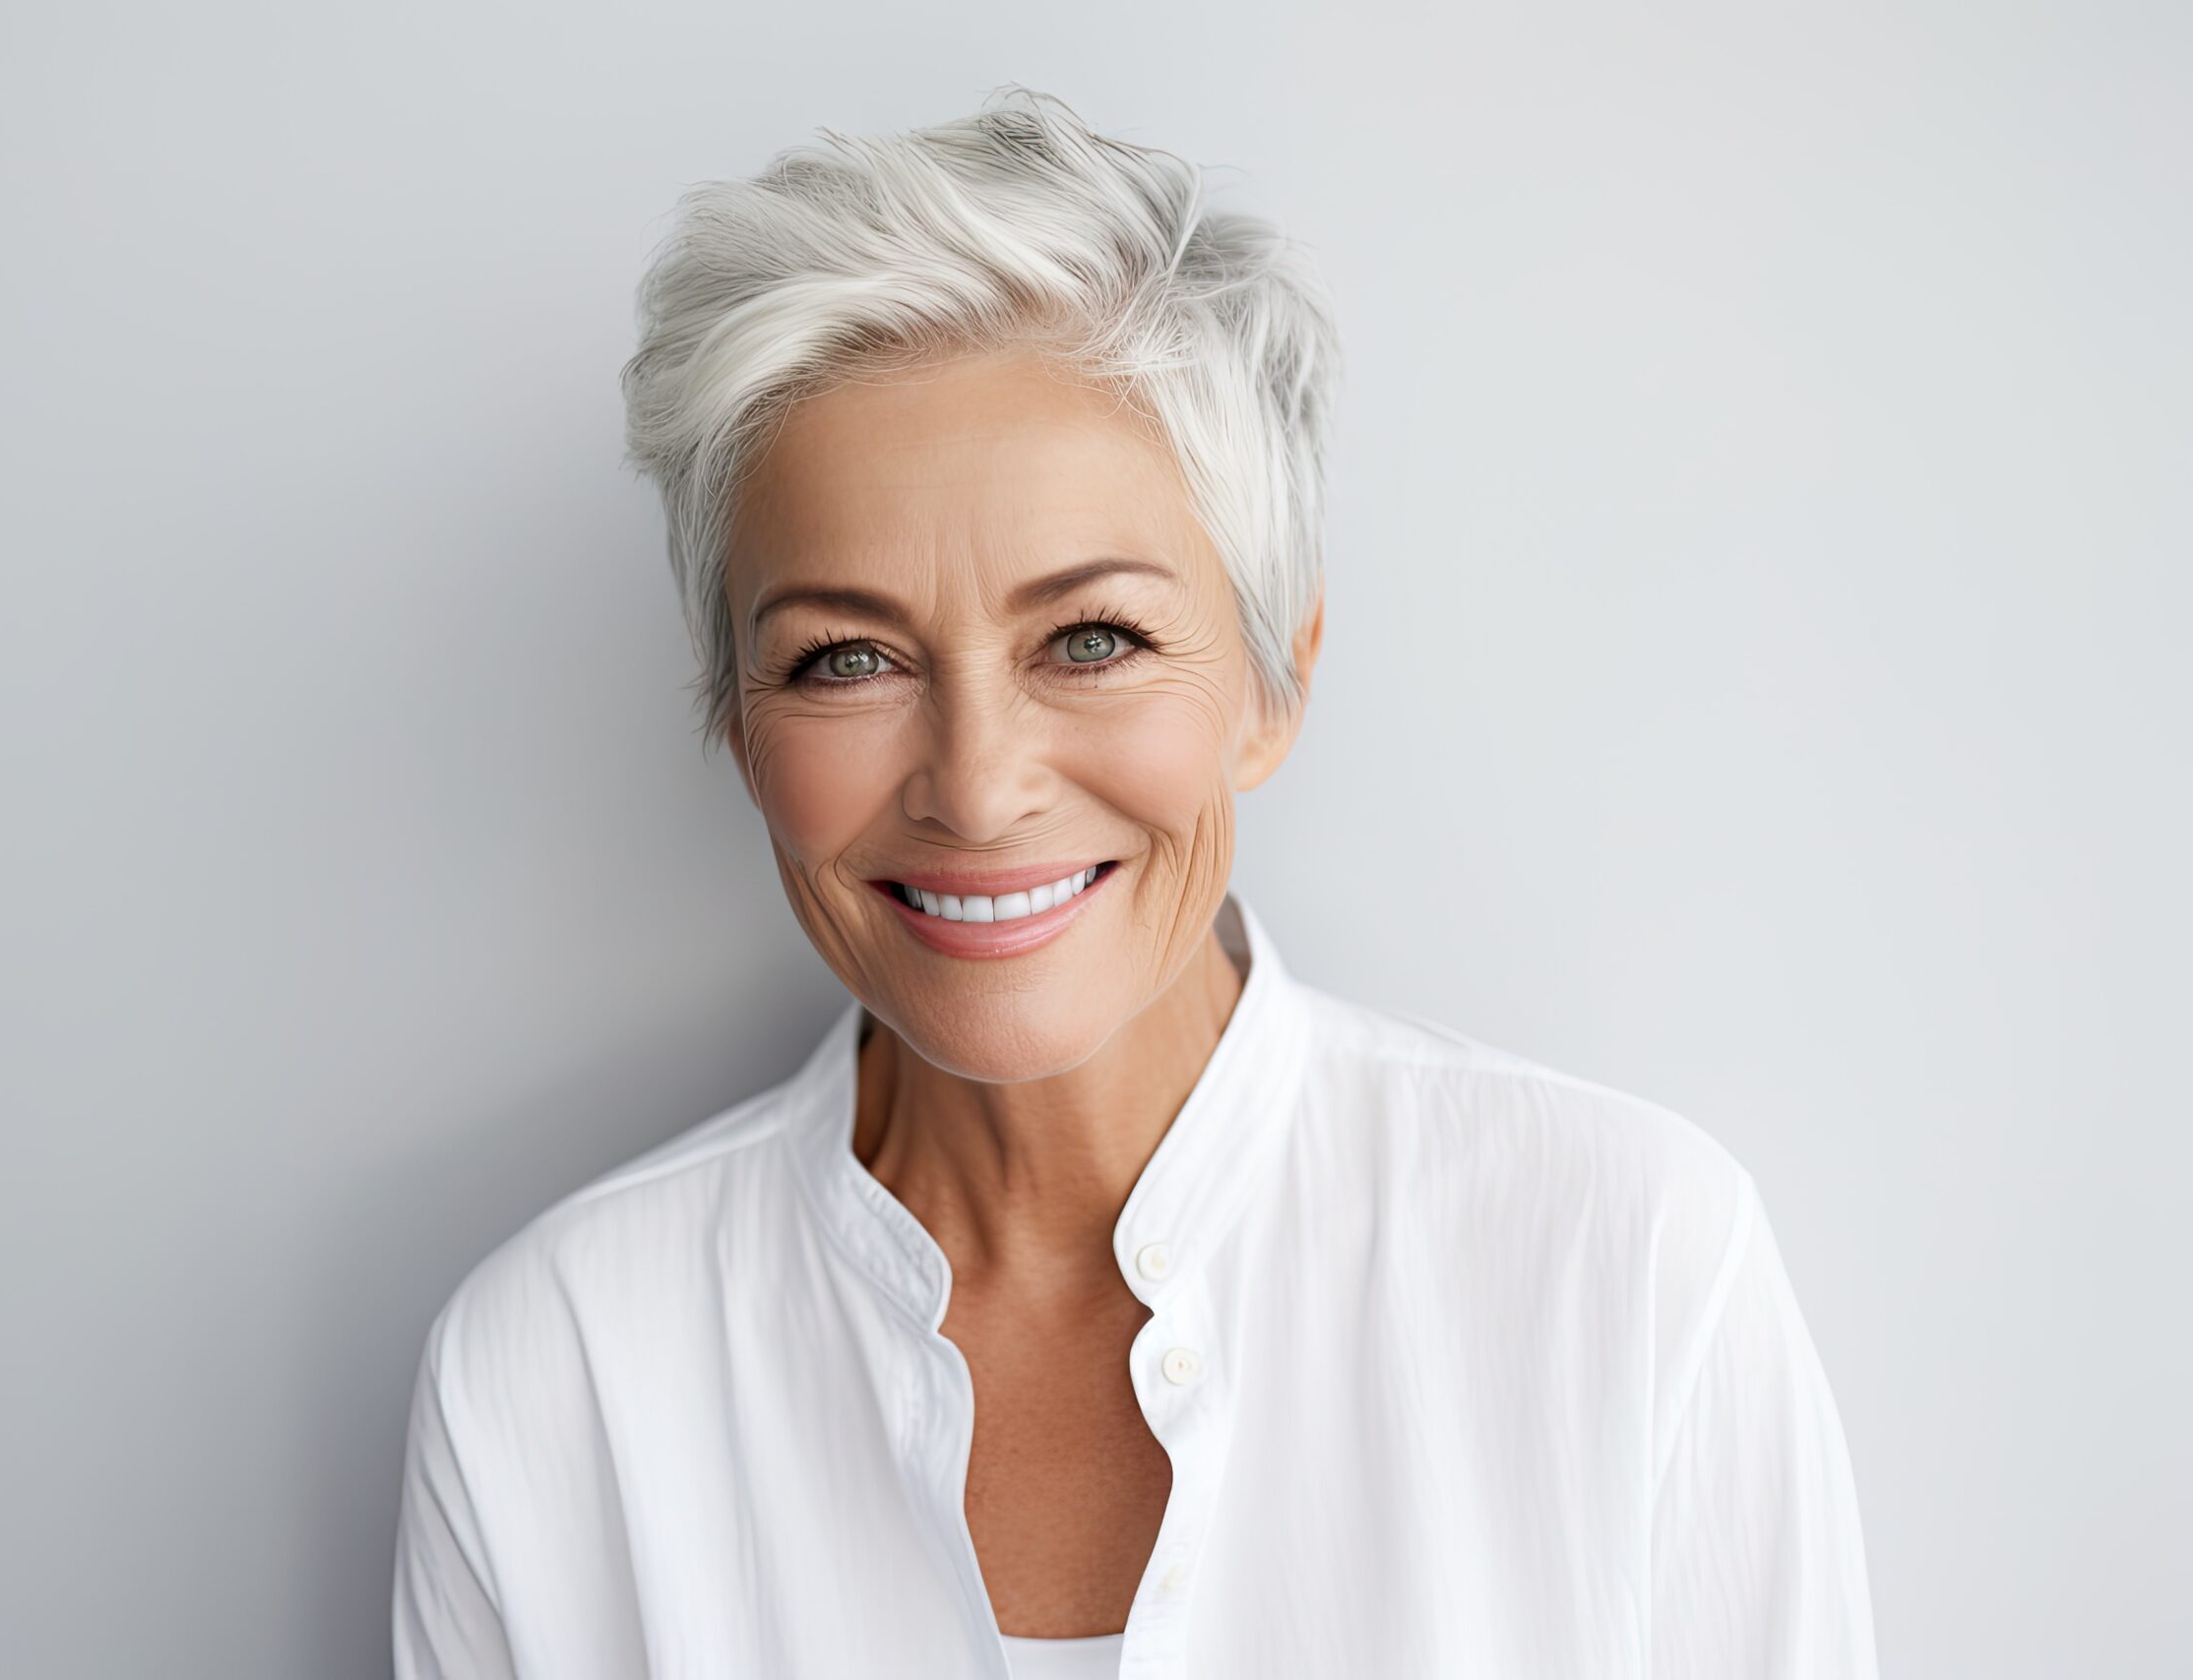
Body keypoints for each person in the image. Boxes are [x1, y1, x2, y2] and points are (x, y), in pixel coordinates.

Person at [392, 86, 1881, 1680]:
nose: (976, 784)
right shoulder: (552, 1377)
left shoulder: (1628, 1268)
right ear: (730, 722)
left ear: (1273, 678)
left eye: (1090, 639)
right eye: (844, 658)